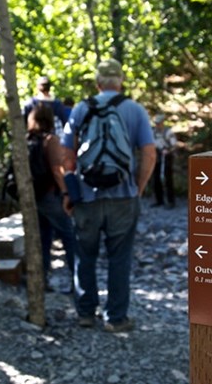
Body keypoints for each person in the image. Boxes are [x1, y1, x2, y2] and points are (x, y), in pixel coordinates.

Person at [60, 58, 156, 333]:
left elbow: (67, 155)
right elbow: (149, 153)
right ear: (121, 81)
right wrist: (138, 187)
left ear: (98, 83)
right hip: (123, 196)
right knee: (119, 258)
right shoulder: (135, 110)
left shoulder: (81, 108)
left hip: (87, 197)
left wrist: (70, 191)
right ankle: (115, 318)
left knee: (84, 256)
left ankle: (86, 313)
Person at [27, 104, 76, 293]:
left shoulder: (28, 139)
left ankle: (42, 281)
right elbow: (57, 170)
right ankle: (77, 280)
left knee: (44, 238)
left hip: (35, 196)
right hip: (50, 195)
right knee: (69, 237)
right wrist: (66, 193)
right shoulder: (50, 140)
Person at [151, 113, 178, 209]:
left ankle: (171, 201)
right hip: (157, 156)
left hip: (167, 156)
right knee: (156, 178)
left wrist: (168, 151)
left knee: (167, 178)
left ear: (162, 122)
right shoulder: (153, 132)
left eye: (158, 123)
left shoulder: (168, 132)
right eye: (156, 123)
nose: (157, 125)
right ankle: (159, 200)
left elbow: (174, 145)